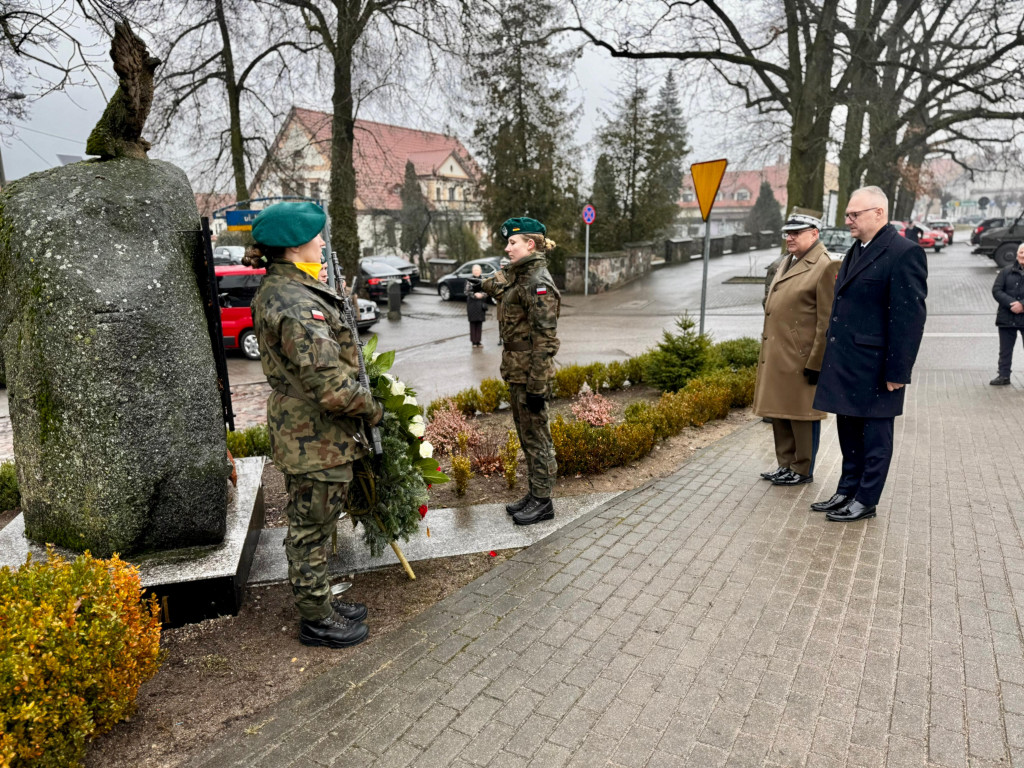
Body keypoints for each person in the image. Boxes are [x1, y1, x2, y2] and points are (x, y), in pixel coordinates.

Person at [245, 201, 383, 648]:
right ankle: (315, 620)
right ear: (293, 246)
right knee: (310, 528)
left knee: (318, 522)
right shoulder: (295, 303)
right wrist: (373, 408)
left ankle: (319, 600)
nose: (321, 243)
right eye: (315, 237)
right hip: (313, 436)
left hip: (313, 434)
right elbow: (331, 387)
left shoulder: (292, 291)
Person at [811, 186, 928, 522]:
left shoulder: (904, 253)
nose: (848, 220)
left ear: (878, 213)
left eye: (854, 214)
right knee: (848, 431)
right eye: (848, 214)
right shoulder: (857, 249)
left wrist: (898, 372)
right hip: (847, 363)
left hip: (877, 368)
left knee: (875, 437)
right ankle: (847, 490)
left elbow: (909, 318)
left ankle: (866, 499)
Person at [475, 217, 561, 525]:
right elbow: (501, 286)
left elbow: (546, 340)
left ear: (531, 244)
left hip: (530, 376)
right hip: (516, 371)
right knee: (527, 437)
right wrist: (482, 284)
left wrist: (537, 386)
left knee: (538, 438)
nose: (507, 247)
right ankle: (535, 493)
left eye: (513, 242)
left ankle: (543, 501)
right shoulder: (519, 276)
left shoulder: (537, 283)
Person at [753, 213, 839, 486]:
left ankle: (802, 469)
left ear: (814, 234)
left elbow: (827, 320)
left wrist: (817, 362)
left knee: (802, 416)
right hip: (780, 354)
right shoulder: (789, 261)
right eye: (787, 233)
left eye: (796, 232)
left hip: (802, 358)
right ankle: (785, 464)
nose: (789, 237)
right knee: (779, 411)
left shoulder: (824, 266)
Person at [990, 242, 1024, 386]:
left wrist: (1022, 305)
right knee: (1005, 350)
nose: (1023, 255)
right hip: (1007, 315)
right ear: (1017, 254)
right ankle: (1003, 376)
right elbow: (996, 290)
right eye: (1021, 252)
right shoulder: (1005, 271)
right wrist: (1012, 304)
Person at [465, 264, 488, 347]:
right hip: (472, 304)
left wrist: (482, 295)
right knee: (473, 323)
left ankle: (478, 341)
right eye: (475, 270)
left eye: (478, 270)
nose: (476, 271)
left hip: (481, 305)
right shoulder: (469, 280)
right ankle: (473, 342)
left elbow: (488, 291)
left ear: (480, 271)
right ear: (472, 271)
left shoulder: (483, 280)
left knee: (479, 323)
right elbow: (466, 291)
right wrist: (475, 295)